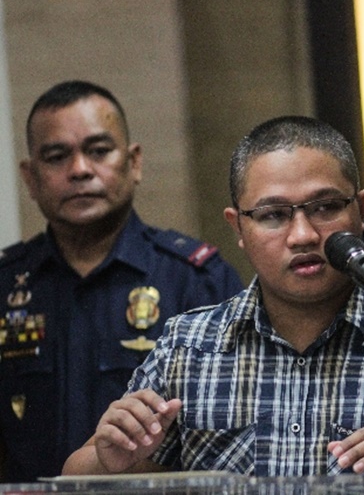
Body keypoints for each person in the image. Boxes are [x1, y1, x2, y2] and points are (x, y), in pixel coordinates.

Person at [62, 116, 364, 483]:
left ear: (362, 211)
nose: (304, 235)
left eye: (326, 207)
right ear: (238, 228)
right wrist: (111, 459)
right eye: (273, 215)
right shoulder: (189, 345)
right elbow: (79, 473)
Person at [0, 80, 244, 481]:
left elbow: (233, 430)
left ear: (134, 162)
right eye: (57, 156)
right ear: (30, 178)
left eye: (98, 151)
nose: (80, 170)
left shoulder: (196, 280)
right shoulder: (7, 285)